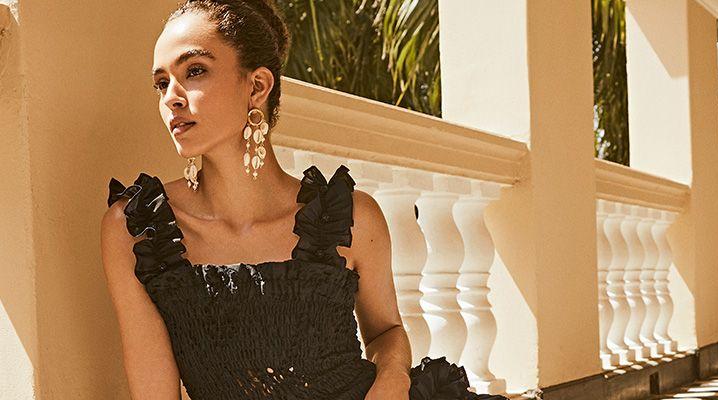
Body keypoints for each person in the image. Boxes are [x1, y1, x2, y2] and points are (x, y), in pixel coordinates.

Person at [100, 1, 503, 399]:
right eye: (161, 82)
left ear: (257, 86)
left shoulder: (349, 217)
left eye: (195, 71)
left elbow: (386, 332)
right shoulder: (139, 231)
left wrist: (393, 381)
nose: (171, 97)